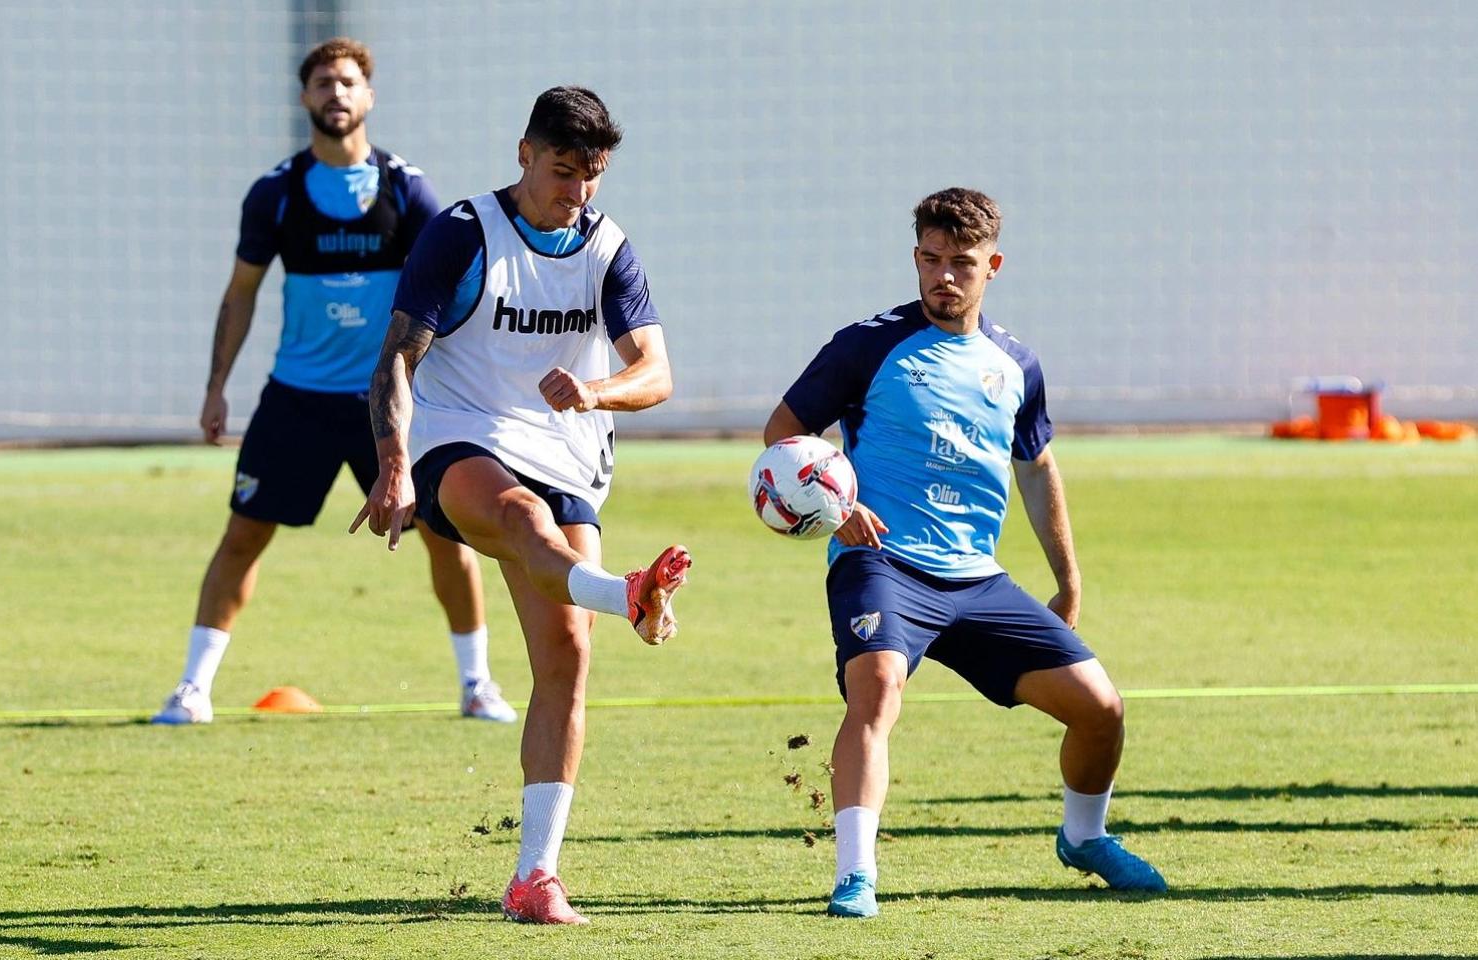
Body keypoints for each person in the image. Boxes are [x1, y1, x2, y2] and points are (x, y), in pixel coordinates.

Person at [763, 188, 1167, 918]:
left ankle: (1084, 838)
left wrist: (1067, 577)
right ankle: (856, 875)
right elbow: (784, 433)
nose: (943, 276)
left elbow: (1037, 468)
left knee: (1102, 710)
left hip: (978, 582)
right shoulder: (867, 344)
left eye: (961, 264)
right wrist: (841, 513)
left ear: (994, 266)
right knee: (876, 691)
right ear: (915, 257)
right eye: (930, 259)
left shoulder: (1016, 364)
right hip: (882, 561)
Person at [352, 86, 691, 925]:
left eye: (593, 174)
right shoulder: (464, 233)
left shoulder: (608, 249)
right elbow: (397, 357)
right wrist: (395, 462)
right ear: (524, 154)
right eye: (563, 169)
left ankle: (534, 877)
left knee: (566, 664)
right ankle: (627, 595)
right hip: (459, 437)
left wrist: (597, 391)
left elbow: (657, 373)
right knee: (520, 523)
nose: (577, 190)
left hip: (570, 452)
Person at [152, 37, 515, 726]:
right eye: (322, 83)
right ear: (304, 98)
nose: (336, 93)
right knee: (242, 538)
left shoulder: (407, 189)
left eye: (348, 82)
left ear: (369, 96)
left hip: (393, 402)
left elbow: (447, 291)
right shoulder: (276, 195)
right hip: (296, 400)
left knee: (446, 538)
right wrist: (215, 386)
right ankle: (192, 689)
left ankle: (477, 685)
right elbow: (240, 294)